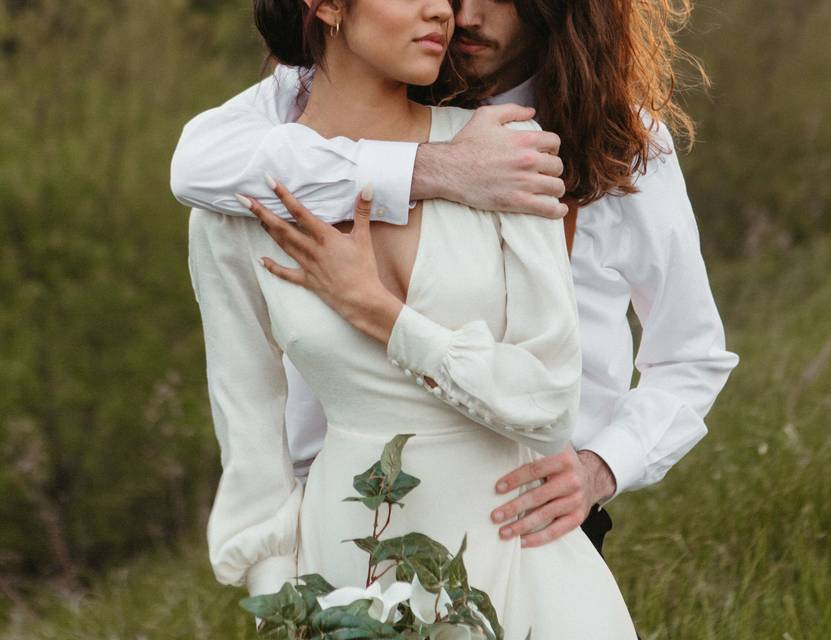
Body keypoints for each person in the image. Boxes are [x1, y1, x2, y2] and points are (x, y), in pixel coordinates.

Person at [173, 0, 737, 601]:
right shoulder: (318, 87)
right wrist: (439, 168)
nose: (461, 14)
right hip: (337, 516)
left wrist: (601, 467)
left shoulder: (620, 138)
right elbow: (197, 166)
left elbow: (689, 354)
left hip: (527, 511)